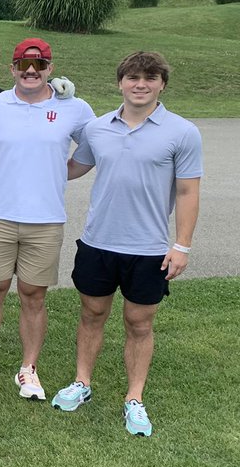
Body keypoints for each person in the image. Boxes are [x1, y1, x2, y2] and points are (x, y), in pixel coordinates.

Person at [53, 52, 202, 436]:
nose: (141, 84)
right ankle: (82, 383)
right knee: (92, 314)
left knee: (139, 322)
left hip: (149, 249)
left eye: (150, 78)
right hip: (98, 243)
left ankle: (134, 398)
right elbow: (74, 168)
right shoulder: (98, 128)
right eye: (133, 77)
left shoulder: (182, 132)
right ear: (120, 82)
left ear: (162, 85)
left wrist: (181, 245)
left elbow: (187, 192)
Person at [0, 38, 95, 399]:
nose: (31, 72)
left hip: (46, 219)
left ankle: (28, 369)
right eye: (23, 65)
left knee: (33, 295)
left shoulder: (75, 108)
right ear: (12, 69)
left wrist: (58, 172)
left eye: (39, 65)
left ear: (51, 68)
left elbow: (94, 146)